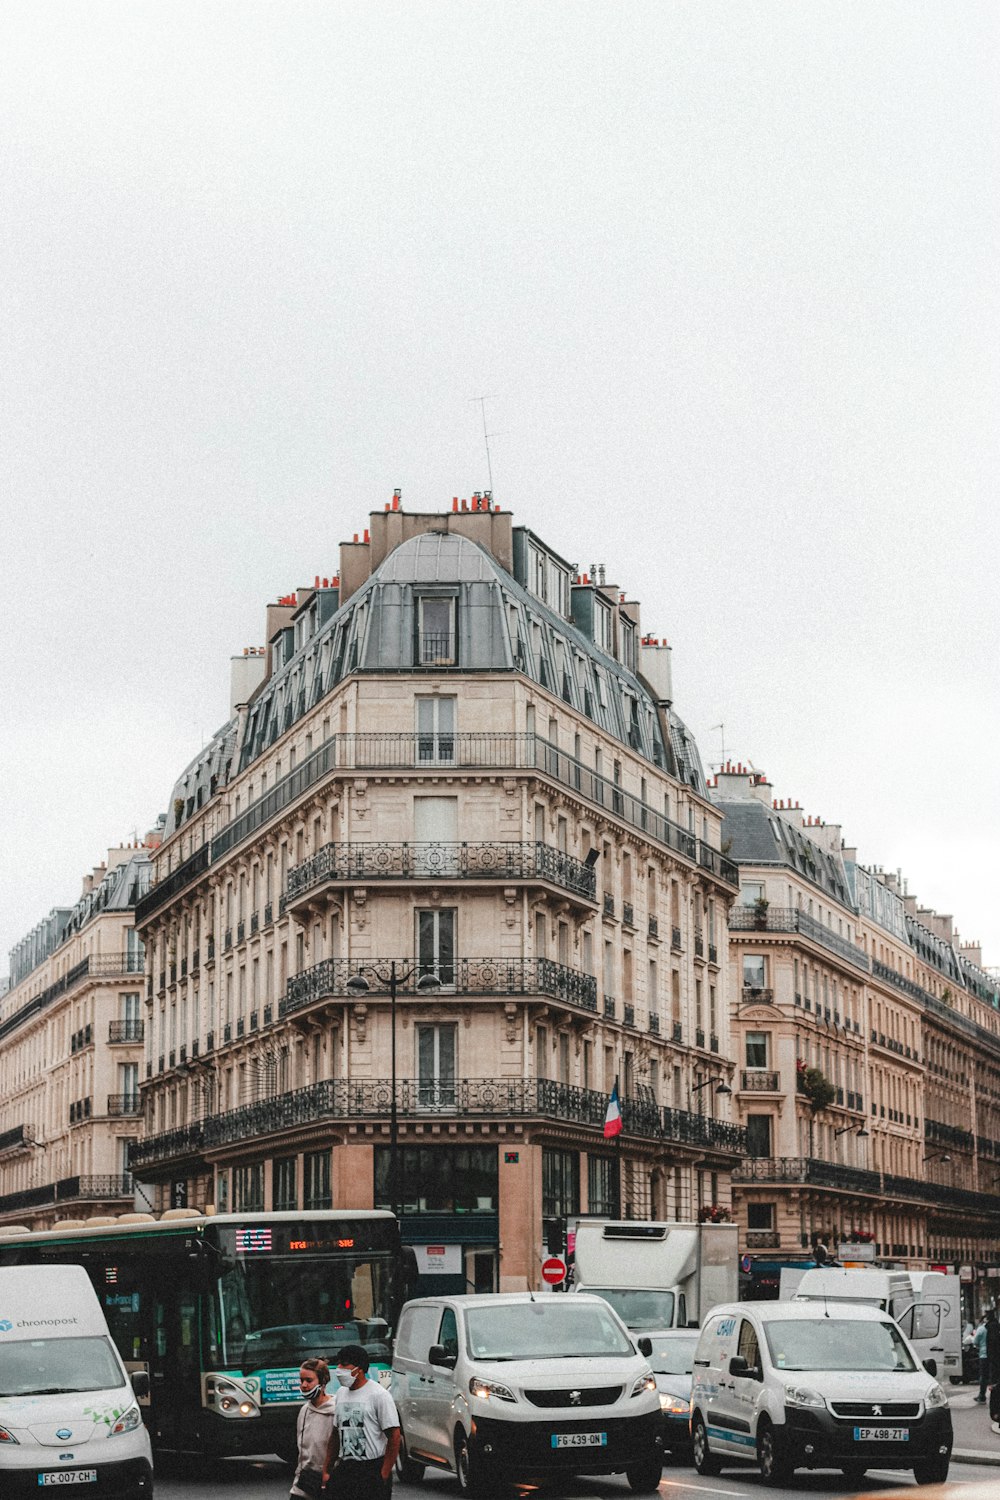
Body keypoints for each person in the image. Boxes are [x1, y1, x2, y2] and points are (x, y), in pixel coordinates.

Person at [324, 1343, 400, 1500]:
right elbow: (336, 1434)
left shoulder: (379, 1395)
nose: (339, 1368)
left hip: (371, 1468)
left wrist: (384, 1473)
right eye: (338, 1363)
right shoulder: (341, 1394)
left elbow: (394, 1436)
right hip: (346, 1467)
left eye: (344, 1364)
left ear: (359, 1369)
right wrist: (327, 1469)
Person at [291, 1359, 336, 1500]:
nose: (304, 1385)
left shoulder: (336, 1411)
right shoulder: (305, 1411)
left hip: (329, 1482)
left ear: (322, 1383)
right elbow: (302, 1451)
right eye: (301, 1380)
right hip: (305, 1482)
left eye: (309, 1380)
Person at [973, 1314, 989, 1401]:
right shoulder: (994, 1328)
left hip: (983, 1355)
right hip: (993, 1355)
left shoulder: (981, 1329)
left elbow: (975, 1341)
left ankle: (982, 1395)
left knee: (983, 1376)